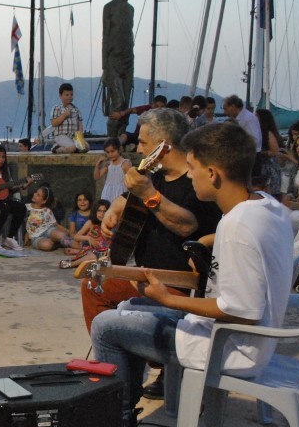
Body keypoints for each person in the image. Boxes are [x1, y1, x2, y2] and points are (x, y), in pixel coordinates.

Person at [90, 123, 292, 427]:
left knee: (106, 327)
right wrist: (203, 241)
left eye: (194, 169)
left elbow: (242, 309)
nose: (190, 176)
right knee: (129, 307)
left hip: (227, 346)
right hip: (246, 337)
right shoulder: (268, 206)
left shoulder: (236, 225)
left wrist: (167, 299)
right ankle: (125, 423)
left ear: (212, 173)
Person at [80, 108, 223, 334]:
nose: (138, 149)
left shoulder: (197, 181)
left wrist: (149, 194)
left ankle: (120, 355)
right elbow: (129, 197)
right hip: (148, 275)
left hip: (179, 285)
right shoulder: (157, 175)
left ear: (162, 145)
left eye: (143, 143)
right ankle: (120, 356)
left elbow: (187, 225)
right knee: (93, 282)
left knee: (98, 291)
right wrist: (114, 209)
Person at [102, 0, 135, 139]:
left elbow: (130, 35)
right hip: (113, 61)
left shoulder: (131, 9)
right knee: (119, 101)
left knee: (126, 103)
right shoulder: (109, 8)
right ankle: (111, 139)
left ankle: (120, 136)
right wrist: (105, 67)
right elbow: (106, 36)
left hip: (128, 59)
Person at [59, 199, 111, 269]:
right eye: (99, 211)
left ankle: (88, 264)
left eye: (104, 211)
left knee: (107, 258)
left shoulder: (111, 225)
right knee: (95, 256)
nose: (102, 214)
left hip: (106, 253)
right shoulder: (90, 223)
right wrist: (88, 238)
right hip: (92, 252)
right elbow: (76, 237)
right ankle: (71, 264)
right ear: (95, 211)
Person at [25, 184, 73, 251]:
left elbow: (56, 225)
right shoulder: (26, 208)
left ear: (44, 201)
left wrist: (70, 232)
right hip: (36, 237)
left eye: (38, 195)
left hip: (48, 230)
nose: (35, 194)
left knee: (61, 235)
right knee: (47, 245)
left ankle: (75, 246)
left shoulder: (47, 211)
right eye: (36, 192)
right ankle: (57, 243)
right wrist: (26, 234)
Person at [254, 108, 284, 197]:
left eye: (256, 117)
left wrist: (260, 153)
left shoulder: (268, 133)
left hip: (268, 167)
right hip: (260, 165)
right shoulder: (257, 132)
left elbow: (275, 151)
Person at [94, 138, 132, 203]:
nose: (110, 154)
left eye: (113, 151)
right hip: (107, 193)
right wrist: (97, 165)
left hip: (120, 193)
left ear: (119, 149)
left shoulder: (125, 163)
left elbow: (131, 181)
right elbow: (97, 177)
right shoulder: (108, 164)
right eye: (108, 152)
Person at [50, 83, 84, 153]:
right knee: (73, 147)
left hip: (74, 136)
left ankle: (59, 147)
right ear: (60, 96)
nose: (69, 97)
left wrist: (80, 135)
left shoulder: (76, 109)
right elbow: (53, 123)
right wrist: (64, 115)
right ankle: (57, 147)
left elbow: (80, 124)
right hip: (61, 135)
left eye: (71, 94)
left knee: (84, 148)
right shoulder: (57, 108)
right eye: (67, 95)